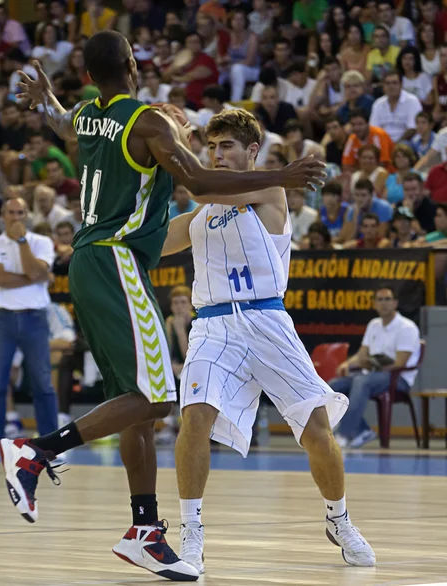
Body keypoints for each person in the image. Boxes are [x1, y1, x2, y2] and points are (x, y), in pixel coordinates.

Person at [1, 32, 324, 581]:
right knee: (155, 398)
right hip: (117, 260)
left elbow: (65, 126)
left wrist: (47, 102)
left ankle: (145, 530)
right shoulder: (146, 121)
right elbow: (197, 182)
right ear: (131, 64)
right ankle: (34, 451)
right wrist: (283, 175)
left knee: (134, 402)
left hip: (90, 259)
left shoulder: (87, 113)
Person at [160, 108, 375, 574]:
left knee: (316, 430)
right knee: (194, 419)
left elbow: (199, 183)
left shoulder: (270, 190)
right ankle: (191, 533)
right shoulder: (198, 215)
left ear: (252, 151)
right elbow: (152, 242)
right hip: (213, 325)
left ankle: (338, 519)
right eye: (211, 147)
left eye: (227, 147)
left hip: (266, 319)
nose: (216, 155)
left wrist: (167, 143)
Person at [0, 197, 59, 462]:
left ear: (27, 215)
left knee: (43, 382)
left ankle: (50, 445)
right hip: (1, 318)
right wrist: (34, 277)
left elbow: (37, 273)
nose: (15, 217)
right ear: (2, 215)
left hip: (34, 317)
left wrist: (22, 243)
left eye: (20, 212)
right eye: (11, 213)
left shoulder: (41, 242)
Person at [330, 285, 421, 448]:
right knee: (334, 386)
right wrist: (348, 363)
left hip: (398, 379)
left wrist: (370, 367)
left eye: (388, 299)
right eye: (380, 299)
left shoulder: (407, 327)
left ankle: (344, 436)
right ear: (374, 304)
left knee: (361, 381)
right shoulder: (374, 324)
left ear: (395, 303)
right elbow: (362, 353)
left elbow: (399, 363)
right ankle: (363, 430)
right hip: (372, 375)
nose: (384, 303)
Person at [369, 71, 422, 144]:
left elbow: (412, 129)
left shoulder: (412, 101)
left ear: (401, 84)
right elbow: (374, 129)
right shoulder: (378, 104)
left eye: (394, 83)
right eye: (387, 83)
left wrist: (395, 145)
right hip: (383, 143)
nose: (391, 86)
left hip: (406, 143)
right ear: (383, 86)